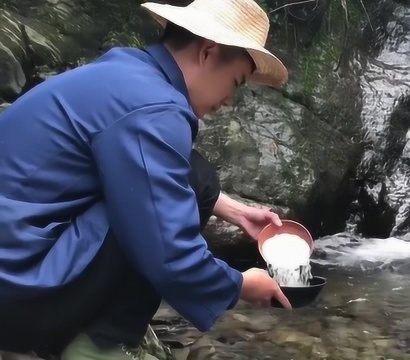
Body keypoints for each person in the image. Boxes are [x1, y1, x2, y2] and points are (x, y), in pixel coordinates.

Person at [0, 0, 293, 358]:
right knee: (181, 191)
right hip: (17, 289)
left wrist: (234, 211)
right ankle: (97, 345)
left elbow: (140, 170)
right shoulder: (155, 109)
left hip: (16, 262)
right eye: (235, 82)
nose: (230, 100)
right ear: (208, 52)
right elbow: (167, 249)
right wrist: (240, 285)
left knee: (194, 178)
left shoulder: (129, 73)